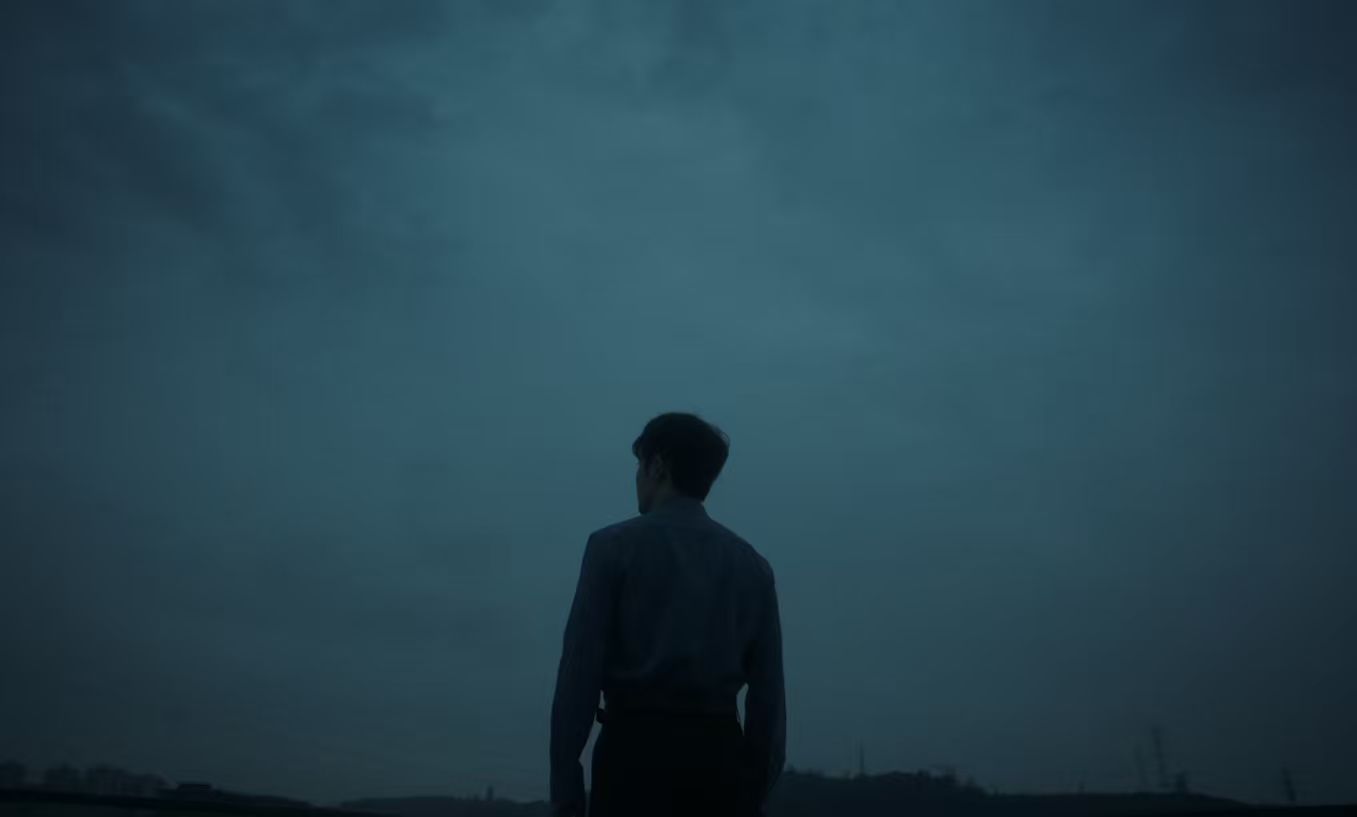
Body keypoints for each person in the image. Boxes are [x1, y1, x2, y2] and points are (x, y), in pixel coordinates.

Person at [549, 412, 786, 817]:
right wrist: (753, 791)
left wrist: (566, 791)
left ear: (657, 465)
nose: (636, 479)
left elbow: (578, 677)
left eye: (638, 465)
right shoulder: (753, 566)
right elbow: (769, 702)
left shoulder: (611, 548)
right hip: (721, 765)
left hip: (632, 762)